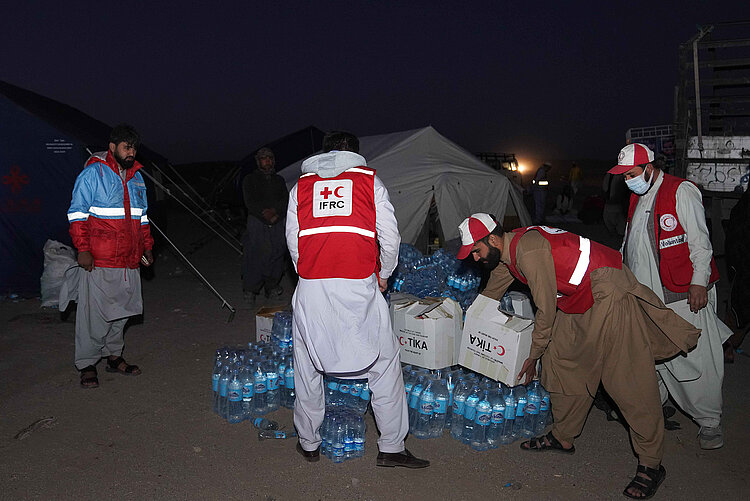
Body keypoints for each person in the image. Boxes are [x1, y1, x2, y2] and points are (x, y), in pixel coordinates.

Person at [456, 213, 699, 499]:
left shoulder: (529, 251)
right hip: (576, 297)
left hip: (607, 292)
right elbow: (493, 288)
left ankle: (651, 463)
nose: (474, 258)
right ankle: (563, 436)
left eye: (476, 250)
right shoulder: (508, 254)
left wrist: (532, 355)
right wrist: (471, 323)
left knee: (625, 380)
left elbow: (545, 310)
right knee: (560, 362)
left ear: (493, 239)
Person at [286, 131, 428, 468]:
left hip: (311, 288)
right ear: (356, 154)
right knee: (384, 366)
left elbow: (294, 243)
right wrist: (384, 275)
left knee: (306, 366)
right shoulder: (370, 183)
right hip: (359, 286)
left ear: (324, 152)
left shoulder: (300, 188)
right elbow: (390, 239)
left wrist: (309, 274)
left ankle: (309, 443)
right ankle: (391, 448)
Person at [613, 143, 733, 450]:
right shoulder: (637, 197)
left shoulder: (681, 192)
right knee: (653, 356)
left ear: (650, 168)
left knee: (696, 358)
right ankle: (655, 405)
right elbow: (630, 241)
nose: (628, 180)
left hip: (681, 293)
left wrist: (698, 283)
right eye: (624, 176)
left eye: (632, 174)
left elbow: (700, 242)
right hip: (648, 297)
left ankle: (709, 422)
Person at [65, 124, 154, 389]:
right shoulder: (93, 173)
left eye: (134, 147)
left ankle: (114, 357)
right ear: (113, 147)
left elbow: (143, 218)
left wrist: (146, 247)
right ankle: (87, 363)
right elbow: (77, 213)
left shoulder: (137, 177)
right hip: (100, 259)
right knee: (95, 316)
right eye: (127, 147)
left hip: (129, 258)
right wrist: (83, 249)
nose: (131, 152)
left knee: (122, 313)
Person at [241, 147, 289, 303]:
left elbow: (284, 200)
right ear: (258, 161)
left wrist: (276, 213)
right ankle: (251, 290)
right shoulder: (250, 179)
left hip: (277, 220)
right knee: (255, 254)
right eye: (263, 158)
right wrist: (265, 214)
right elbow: (250, 201)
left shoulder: (279, 180)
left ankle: (272, 287)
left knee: (277, 253)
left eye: (270, 158)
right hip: (257, 220)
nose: (267, 161)